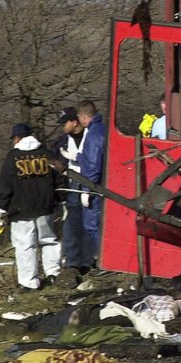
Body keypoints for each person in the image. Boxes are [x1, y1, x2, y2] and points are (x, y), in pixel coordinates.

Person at [0, 123, 61, 290]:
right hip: (45, 206)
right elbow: (59, 177)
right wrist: (61, 200)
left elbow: (6, 185)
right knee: (49, 240)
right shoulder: (46, 154)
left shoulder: (13, 157)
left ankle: (29, 282)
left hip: (21, 209)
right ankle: (53, 273)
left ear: (17, 138)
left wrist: (1, 208)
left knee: (25, 245)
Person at [53, 107, 92, 287]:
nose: (62, 127)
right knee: (72, 224)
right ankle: (73, 262)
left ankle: (89, 259)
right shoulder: (61, 143)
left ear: (74, 122)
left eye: (65, 123)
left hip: (91, 182)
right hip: (72, 185)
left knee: (91, 223)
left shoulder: (91, 137)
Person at [76, 101, 104, 263]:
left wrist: (87, 189)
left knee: (92, 226)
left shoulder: (93, 134)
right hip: (99, 184)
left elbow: (93, 164)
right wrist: (78, 157)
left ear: (85, 117)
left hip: (95, 187)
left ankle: (102, 260)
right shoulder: (100, 129)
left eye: (79, 118)